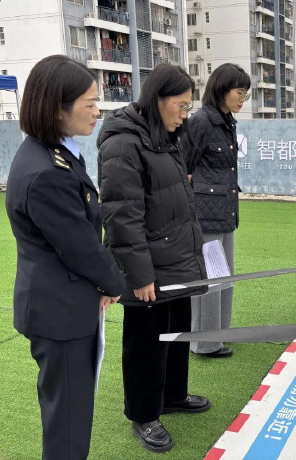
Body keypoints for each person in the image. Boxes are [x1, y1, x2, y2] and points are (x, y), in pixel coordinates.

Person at [5, 55, 125, 459]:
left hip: (64, 302)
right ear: (58, 107)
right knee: (68, 424)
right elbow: (80, 246)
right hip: (61, 313)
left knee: (69, 413)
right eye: (89, 102)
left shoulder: (55, 152)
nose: (98, 110)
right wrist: (114, 284)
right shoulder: (47, 171)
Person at [97, 64, 210, 453]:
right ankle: (144, 414)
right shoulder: (123, 143)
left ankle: (173, 396)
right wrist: (140, 275)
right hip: (148, 267)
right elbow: (121, 216)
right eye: (180, 106)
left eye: (187, 108)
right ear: (156, 99)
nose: (184, 115)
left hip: (175, 258)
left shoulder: (164, 136)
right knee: (146, 342)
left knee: (177, 332)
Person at [184, 63, 250, 358]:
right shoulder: (201, 122)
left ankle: (218, 337)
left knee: (225, 279)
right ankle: (204, 343)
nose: (243, 99)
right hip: (206, 214)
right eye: (239, 92)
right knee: (210, 281)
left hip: (225, 213)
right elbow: (183, 164)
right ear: (222, 89)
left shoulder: (227, 121)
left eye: (246, 94)